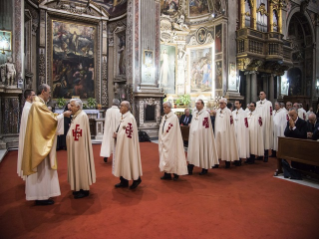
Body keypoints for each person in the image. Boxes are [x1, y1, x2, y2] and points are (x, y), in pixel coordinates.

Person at [21, 84, 72, 205]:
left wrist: (56, 116)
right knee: (42, 169)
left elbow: (47, 118)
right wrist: (62, 115)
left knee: (43, 169)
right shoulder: (38, 105)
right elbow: (49, 122)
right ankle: (41, 196)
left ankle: (42, 195)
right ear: (43, 91)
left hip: (40, 140)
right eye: (49, 92)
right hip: (40, 144)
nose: (49, 95)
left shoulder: (38, 104)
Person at [66, 99, 96, 199]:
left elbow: (80, 133)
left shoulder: (82, 116)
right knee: (77, 166)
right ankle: (78, 187)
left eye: (72, 105)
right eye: (70, 105)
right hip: (76, 146)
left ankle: (84, 189)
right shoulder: (77, 115)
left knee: (81, 166)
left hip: (80, 147)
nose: (70, 107)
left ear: (78, 107)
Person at [113, 101, 143, 189]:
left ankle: (136, 179)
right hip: (122, 144)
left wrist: (118, 135)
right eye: (120, 106)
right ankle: (123, 180)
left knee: (129, 160)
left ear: (127, 107)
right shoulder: (124, 117)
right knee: (123, 161)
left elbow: (128, 134)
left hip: (127, 145)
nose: (120, 107)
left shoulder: (130, 118)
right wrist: (117, 134)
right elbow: (122, 130)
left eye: (122, 106)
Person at [187, 99, 218, 175]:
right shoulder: (195, 113)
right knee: (193, 151)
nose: (197, 105)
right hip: (194, 137)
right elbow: (193, 123)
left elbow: (206, 126)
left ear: (202, 105)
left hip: (202, 136)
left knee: (203, 151)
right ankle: (190, 167)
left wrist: (199, 131)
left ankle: (205, 168)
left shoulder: (205, 114)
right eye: (196, 103)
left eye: (198, 103)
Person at [158, 102, 188, 180]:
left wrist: (165, 138)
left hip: (171, 141)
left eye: (165, 107)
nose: (164, 109)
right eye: (163, 107)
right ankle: (167, 173)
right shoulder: (164, 117)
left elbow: (171, 130)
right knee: (165, 157)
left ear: (169, 108)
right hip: (164, 140)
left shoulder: (173, 117)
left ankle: (175, 173)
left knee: (172, 156)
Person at [215, 98, 239, 168]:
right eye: (219, 103)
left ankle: (227, 162)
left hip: (226, 132)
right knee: (218, 147)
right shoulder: (218, 111)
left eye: (222, 103)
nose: (220, 104)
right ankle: (216, 162)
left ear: (225, 104)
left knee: (226, 147)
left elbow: (231, 123)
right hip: (218, 132)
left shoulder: (228, 112)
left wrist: (228, 131)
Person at [17, 89, 36, 180]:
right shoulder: (29, 108)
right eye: (33, 95)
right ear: (29, 97)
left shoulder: (28, 106)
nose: (35, 97)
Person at [100, 99, 121, 163]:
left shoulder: (108, 110)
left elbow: (107, 120)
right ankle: (117, 157)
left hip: (108, 129)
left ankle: (106, 156)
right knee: (116, 143)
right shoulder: (119, 111)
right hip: (116, 130)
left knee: (107, 142)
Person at [256, 91, 273, 162]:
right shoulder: (257, 103)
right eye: (259, 94)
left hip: (265, 123)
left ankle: (266, 155)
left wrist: (269, 123)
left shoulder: (269, 103)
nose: (260, 95)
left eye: (262, 94)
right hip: (258, 124)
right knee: (259, 139)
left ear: (265, 95)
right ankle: (260, 155)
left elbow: (270, 114)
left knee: (265, 139)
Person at [232, 100, 249, 165]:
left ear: (240, 104)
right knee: (235, 144)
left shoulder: (244, 113)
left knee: (239, 144)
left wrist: (243, 131)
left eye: (237, 103)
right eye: (235, 103)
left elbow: (245, 123)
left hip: (240, 131)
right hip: (234, 130)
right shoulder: (233, 112)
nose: (236, 105)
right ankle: (235, 158)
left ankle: (239, 159)